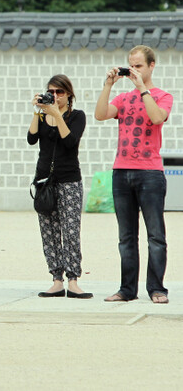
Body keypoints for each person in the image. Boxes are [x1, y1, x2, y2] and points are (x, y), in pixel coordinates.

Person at [94, 45, 172, 304]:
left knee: (155, 235)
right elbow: (100, 115)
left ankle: (156, 288)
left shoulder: (162, 95)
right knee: (126, 236)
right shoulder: (123, 99)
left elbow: (157, 118)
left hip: (150, 173)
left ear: (152, 66)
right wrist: (108, 85)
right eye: (131, 66)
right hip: (121, 171)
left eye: (139, 66)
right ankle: (127, 289)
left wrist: (142, 88)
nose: (134, 70)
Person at [28, 75, 92, 299]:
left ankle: (73, 280)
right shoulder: (43, 115)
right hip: (45, 181)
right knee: (49, 232)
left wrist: (57, 115)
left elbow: (70, 142)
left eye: (60, 92)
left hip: (69, 180)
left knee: (71, 230)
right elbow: (31, 138)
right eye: (51, 92)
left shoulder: (77, 116)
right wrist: (38, 111)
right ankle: (56, 279)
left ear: (69, 94)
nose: (55, 96)